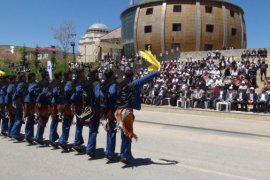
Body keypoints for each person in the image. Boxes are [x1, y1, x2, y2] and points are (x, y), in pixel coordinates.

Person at [115, 69, 160, 164]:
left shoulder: (119, 84)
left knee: (124, 134)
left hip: (118, 111)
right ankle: (124, 155)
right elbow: (146, 78)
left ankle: (126, 153)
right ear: (132, 76)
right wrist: (156, 72)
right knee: (127, 134)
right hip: (127, 112)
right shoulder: (134, 83)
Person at [100, 69, 117, 162]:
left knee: (109, 130)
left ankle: (108, 151)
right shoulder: (112, 84)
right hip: (111, 109)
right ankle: (109, 153)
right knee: (112, 131)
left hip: (105, 109)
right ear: (111, 75)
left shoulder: (103, 84)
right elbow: (113, 93)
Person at [85, 69, 101, 158]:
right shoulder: (96, 83)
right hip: (94, 108)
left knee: (91, 129)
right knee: (94, 129)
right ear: (95, 74)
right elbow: (98, 95)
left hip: (87, 108)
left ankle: (90, 148)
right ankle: (90, 149)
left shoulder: (87, 83)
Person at [58, 71, 74, 150]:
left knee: (65, 123)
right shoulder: (68, 83)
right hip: (67, 105)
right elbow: (67, 91)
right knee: (67, 123)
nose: (72, 75)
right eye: (71, 74)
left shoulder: (62, 82)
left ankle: (62, 139)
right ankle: (63, 141)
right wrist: (72, 98)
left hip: (62, 104)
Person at [71, 69, 86, 152]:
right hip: (80, 105)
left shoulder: (75, 81)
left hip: (77, 104)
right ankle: (76, 143)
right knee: (79, 124)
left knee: (79, 123)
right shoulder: (80, 81)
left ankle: (79, 141)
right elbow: (79, 90)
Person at [35, 71, 50, 145]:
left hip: (38, 103)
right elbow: (45, 93)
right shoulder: (46, 83)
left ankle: (38, 136)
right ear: (46, 76)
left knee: (41, 119)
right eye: (48, 75)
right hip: (44, 103)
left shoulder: (39, 82)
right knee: (43, 120)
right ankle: (39, 138)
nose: (49, 76)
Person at [10, 73, 27, 141]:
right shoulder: (21, 84)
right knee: (19, 118)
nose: (25, 78)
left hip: (17, 102)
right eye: (24, 77)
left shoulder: (18, 83)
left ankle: (15, 132)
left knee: (18, 117)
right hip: (19, 102)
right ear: (22, 77)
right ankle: (15, 133)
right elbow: (18, 92)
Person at [49, 72, 63, 148]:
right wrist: (58, 96)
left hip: (51, 103)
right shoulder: (56, 83)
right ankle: (52, 139)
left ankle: (53, 138)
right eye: (61, 76)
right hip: (55, 104)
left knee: (54, 121)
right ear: (59, 76)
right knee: (54, 121)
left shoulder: (52, 82)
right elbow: (55, 92)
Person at [24, 73, 38, 144]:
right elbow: (31, 91)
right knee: (30, 119)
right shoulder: (32, 84)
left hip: (27, 101)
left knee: (30, 118)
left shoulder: (27, 83)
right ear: (32, 77)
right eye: (34, 76)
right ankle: (28, 136)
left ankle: (29, 135)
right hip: (30, 102)